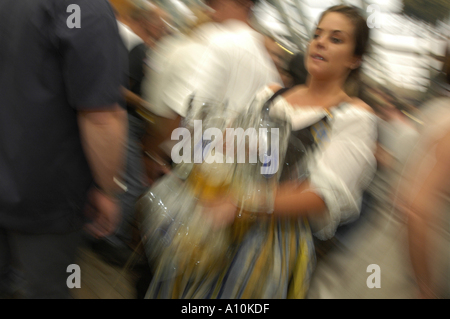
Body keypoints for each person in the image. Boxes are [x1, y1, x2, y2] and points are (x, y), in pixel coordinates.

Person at [140, 4, 376, 299]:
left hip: (267, 247)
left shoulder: (352, 117)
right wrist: (193, 156)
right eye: (318, 34)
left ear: (355, 59)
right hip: (214, 223)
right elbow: (232, 148)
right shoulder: (272, 94)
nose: (321, 42)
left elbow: (319, 196)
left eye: (336, 39)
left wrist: (242, 203)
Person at [0, 0, 128, 298]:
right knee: (48, 288)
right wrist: (109, 188)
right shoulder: (86, 8)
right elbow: (100, 116)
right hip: (45, 192)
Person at [139, 0, 281, 184]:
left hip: (189, 172)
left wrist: (152, 155)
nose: (210, 10)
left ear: (245, 4)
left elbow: (182, 111)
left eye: (215, 3)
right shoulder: (270, 70)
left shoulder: (217, 40)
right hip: (231, 185)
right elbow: (269, 146)